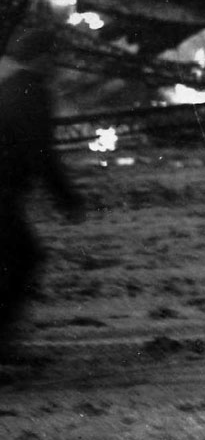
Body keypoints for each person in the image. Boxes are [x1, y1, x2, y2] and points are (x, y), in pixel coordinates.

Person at [0, 28, 86, 359]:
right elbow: (41, 152)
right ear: (43, 58)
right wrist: (66, 198)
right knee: (23, 258)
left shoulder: (8, 83)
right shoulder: (30, 91)